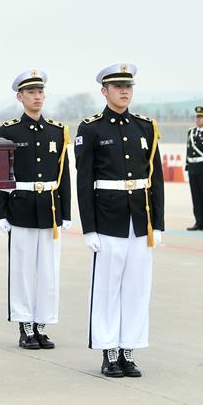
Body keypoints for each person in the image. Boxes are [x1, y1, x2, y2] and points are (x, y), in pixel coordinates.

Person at [76, 63, 164, 378]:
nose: (124, 91)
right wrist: (89, 228)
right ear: (104, 91)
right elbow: (83, 181)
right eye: (117, 86)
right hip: (108, 218)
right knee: (108, 288)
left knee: (137, 288)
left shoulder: (145, 127)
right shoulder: (91, 128)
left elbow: (156, 178)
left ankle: (129, 349)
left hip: (140, 220)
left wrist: (160, 222)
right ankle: (109, 350)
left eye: (128, 85)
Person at [0, 69, 70, 348]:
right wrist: (2, 212)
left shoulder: (57, 130)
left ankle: (42, 323)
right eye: (30, 92)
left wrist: (65, 213)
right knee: (23, 271)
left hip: (49, 209)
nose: (37, 97)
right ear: (20, 96)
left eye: (40, 91)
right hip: (21, 208)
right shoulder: (10, 130)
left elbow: (64, 174)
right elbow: (2, 173)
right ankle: (25, 324)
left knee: (49, 271)